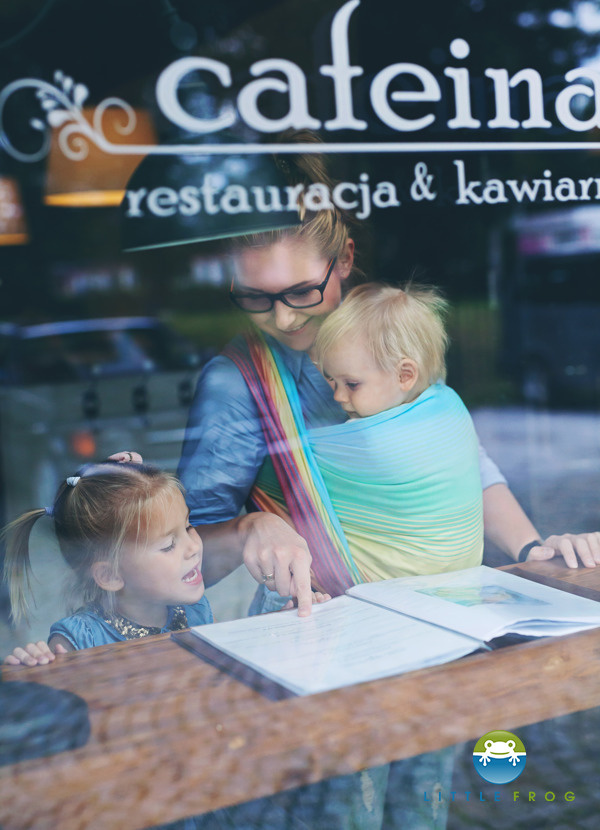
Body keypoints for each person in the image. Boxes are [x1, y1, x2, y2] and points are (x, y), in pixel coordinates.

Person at [177, 143, 600, 621]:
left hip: (450, 613)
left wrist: (532, 549)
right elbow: (187, 559)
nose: (283, 317)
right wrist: (249, 529)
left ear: (344, 260)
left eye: (301, 291)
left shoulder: (388, 333)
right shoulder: (236, 384)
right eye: (256, 297)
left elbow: (462, 469)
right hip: (327, 624)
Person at [308, 280, 483, 580]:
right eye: (331, 380)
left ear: (404, 375)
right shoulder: (449, 406)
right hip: (461, 581)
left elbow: (289, 464)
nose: (338, 396)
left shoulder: (369, 442)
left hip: (383, 594)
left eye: (351, 384)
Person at [3, 457, 212, 664]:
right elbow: (56, 693)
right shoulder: (79, 642)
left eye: (188, 527)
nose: (193, 547)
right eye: (168, 545)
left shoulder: (195, 610)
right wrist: (36, 668)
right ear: (110, 575)